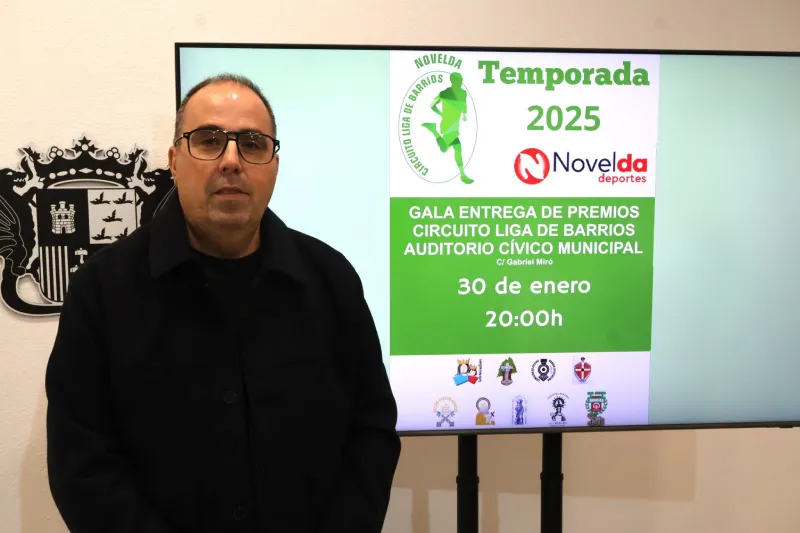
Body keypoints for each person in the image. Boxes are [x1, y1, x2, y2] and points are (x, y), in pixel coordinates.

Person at [44, 73, 401, 533]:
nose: (231, 160)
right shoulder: (102, 290)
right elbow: (82, 463)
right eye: (209, 140)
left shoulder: (332, 281)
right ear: (174, 161)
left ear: (274, 164)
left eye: (252, 144)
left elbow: (371, 433)